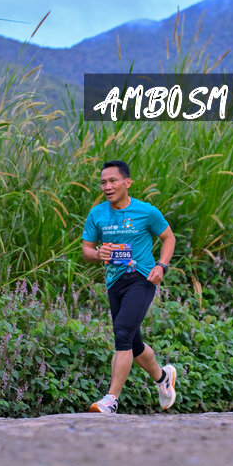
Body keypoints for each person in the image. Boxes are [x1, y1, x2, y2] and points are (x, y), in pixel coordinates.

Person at [81, 160, 177, 414]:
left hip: (141, 278)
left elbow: (168, 238)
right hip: (114, 282)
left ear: (127, 182)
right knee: (133, 344)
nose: (107, 186)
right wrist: (97, 254)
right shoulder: (97, 214)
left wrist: (162, 266)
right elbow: (86, 250)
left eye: (113, 181)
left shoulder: (146, 212)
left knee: (122, 333)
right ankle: (163, 378)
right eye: (103, 182)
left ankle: (111, 400)